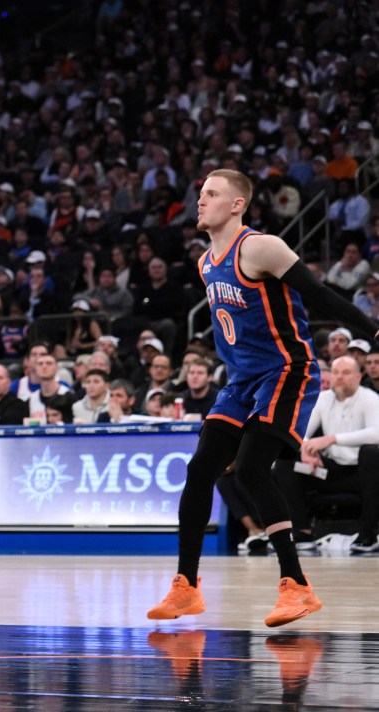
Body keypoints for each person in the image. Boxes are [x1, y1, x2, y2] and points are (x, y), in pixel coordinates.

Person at [147, 169, 378, 628]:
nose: (201, 200)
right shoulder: (205, 261)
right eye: (201, 193)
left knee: (253, 467)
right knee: (199, 471)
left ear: (237, 204)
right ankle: (186, 587)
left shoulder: (260, 247)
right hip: (241, 381)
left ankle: (296, 586)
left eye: (211, 194)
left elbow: (319, 296)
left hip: (288, 372)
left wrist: (373, 330)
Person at [272, 356, 379, 553]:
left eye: (346, 373)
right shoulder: (322, 398)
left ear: (358, 376)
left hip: (363, 474)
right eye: (336, 372)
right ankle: (302, 531)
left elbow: (376, 434)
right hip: (327, 472)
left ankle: (369, 534)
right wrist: (305, 449)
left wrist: (331, 439)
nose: (339, 377)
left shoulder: (370, 399)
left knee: (370, 452)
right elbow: (299, 433)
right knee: (287, 460)